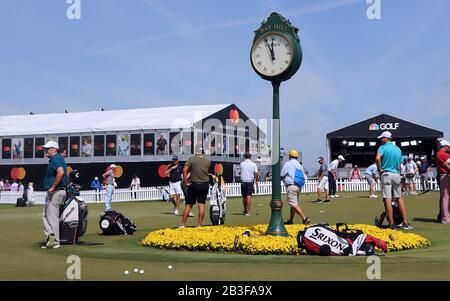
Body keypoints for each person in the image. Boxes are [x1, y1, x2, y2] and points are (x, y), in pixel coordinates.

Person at [375, 131, 412, 230]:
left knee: (387, 199)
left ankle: (391, 224)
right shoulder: (398, 149)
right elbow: (400, 163)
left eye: (382, 138)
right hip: (396, 174)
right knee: (399, 198)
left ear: (386, 138)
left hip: (386, 174)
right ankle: (405, 223)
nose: (381, 139)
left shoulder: (382, 147)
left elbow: (377, 158)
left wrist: (379, 169)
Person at [41, 141, 67, 249]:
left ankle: (55, 242)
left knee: (52, 217)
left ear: (54, 149)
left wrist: (52, 187)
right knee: (44, 215)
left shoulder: (56, 159)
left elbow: (60, 172)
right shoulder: (56, 159)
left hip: (56, 191)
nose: (46, 150)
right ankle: (50, 235)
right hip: (57, 191)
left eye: (48, 148)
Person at [180, 147, 211, 228]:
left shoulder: (191, 159)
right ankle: (199, 225)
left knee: (188, 205)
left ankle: (183, 224)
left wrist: (185, 182)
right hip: (205, 184)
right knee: (201, 205)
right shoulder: (208, 161)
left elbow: (184, 170)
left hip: (194, 184)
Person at [281, 149, 310, 225]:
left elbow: (282, 174)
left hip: (291, 186)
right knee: (294, 203)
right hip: (299, 186)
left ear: (289, 155)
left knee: (293, 204)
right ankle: (290, 220)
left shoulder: (288, 163)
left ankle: (304, 218)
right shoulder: (299, 165)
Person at [436, 140, 450, 224]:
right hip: (445, 176)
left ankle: (444, 216)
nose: (449, 148)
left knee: (445, 197)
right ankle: (445, 217)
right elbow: (446, 164)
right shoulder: (442, 154)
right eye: (448, 147)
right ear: (445, 146)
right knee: (446, 197)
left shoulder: (440, 154)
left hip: (444, 175)